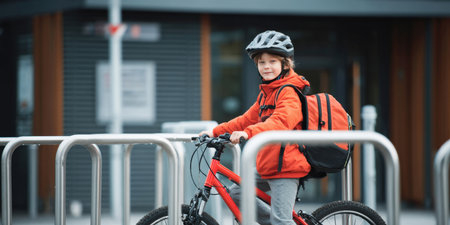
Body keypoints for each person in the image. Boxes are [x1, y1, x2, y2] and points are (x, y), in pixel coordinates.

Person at [199, 30, 312, 225]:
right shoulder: (267, 93)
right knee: (237, 193)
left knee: (281, 221)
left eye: (272, 62)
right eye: (262, 62)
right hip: (268, 163)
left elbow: (281, 122)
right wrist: (215, 131)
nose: (266, 67)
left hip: (286, 166)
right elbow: (245, 120)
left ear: (285, 64)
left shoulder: (289, 92)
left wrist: (247, 133)